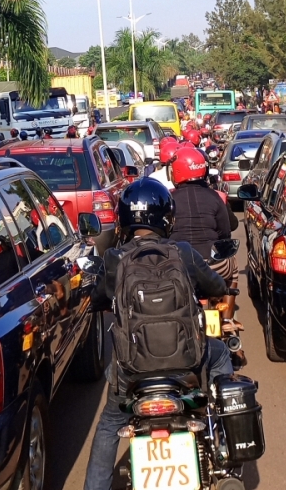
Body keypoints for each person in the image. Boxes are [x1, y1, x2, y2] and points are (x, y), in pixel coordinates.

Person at [83, 178, 234, 490]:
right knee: (220, 356)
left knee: (110, 423)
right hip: (188, 367)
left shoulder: (113, 260)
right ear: (167, 218)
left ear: (124, 219)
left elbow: (96, 299)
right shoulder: (185, 253)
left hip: (131, 373)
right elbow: (217, 287)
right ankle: (225, 439)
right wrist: (218, 291)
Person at [169, 146, 238, 287]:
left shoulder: (168, 199)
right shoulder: (215, 196)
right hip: (214, 265)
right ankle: (226, 308)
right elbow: (225, 233)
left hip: (178, 266)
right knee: (234, 269)